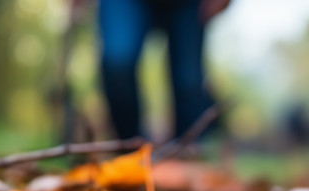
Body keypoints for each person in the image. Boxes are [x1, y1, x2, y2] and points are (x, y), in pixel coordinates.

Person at [96, 0, 230, 140]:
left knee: (188, 82)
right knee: (117, 64)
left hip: (187, 4)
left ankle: (188, 145)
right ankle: (130, 146)